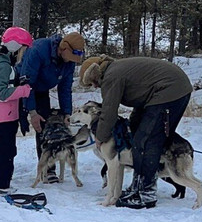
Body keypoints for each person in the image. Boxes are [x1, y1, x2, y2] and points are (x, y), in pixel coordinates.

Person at [80, 54, 193, 209]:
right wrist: (132, 126)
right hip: (170, 89)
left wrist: (100, 137)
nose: (94, 86)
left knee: (146, 141)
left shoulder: (111, 77)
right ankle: (138, 187)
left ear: (96, 75)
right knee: (140, 137)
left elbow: (109, 111)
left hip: (170, 91)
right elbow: (140, 101)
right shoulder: (118, 70)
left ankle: (146, 193)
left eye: (92, 82)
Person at [18, 31, 86, 182]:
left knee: (43, 125)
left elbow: (65, 88)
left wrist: (66, 113)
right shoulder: (38, 50)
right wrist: (32, 112)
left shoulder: (68, 63)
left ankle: (48, 169)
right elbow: (26, 83)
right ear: (63, 49)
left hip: (42, 90)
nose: (71, 62)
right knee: (15, 126)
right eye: (71, 57)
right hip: (22, 87)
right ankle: (0, 171)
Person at [0, 26, 35, 193]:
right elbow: (2, 93)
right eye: (23, 50)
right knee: (6, 151)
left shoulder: (2, 64)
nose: (24, 54)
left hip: (3, 116)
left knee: (2, 148)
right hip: (3, 117)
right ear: (15, 48)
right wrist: (24, 90)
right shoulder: (3, 66)